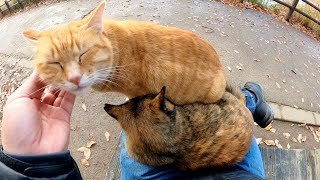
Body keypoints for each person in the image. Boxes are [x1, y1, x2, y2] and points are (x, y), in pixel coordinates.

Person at [0, 72, 273, 179]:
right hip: (236, 169)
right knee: (206, 91)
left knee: (133, 141)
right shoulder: (170, 111)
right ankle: (250, 99)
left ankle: (250, 99)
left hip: (176, 159)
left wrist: (35, 163)